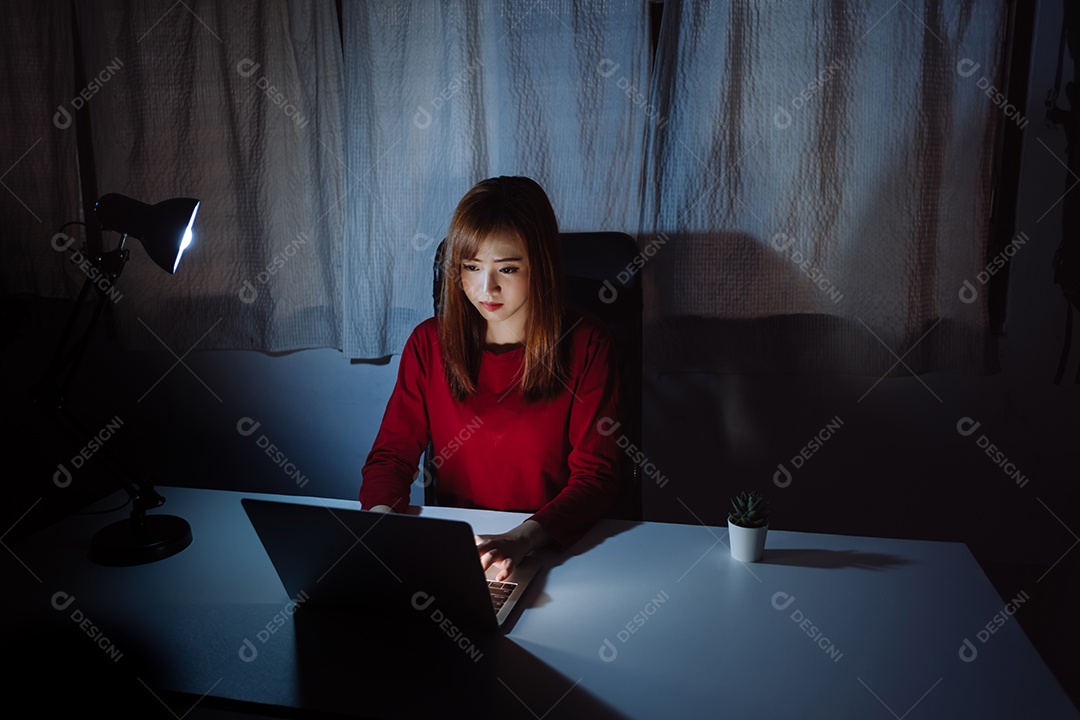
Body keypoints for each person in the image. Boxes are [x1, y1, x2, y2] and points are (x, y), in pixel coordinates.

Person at [359, 176, 621, 581]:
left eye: (508, 268)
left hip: (551, 551)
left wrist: (520, 539)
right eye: (472, 267)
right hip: (460, 550)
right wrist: (379, 526)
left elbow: (596, 477)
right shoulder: (429, 343)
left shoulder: (587, 344)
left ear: (542, 267)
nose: (486, 288)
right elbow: (391, 457)